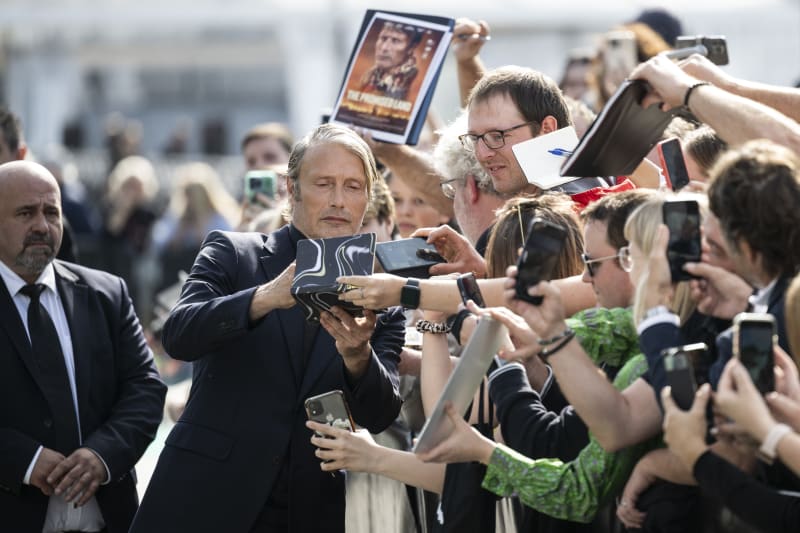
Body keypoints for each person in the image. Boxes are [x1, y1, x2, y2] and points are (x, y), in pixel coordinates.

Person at [130, 124, 405, 533]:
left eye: (352, 186)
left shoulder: (379, 295)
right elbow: (179, 335)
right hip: (203, 500)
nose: (337, 200)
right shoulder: (234, 252)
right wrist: (265, 298)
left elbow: (380, 414)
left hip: (306, 510)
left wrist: (358, 358)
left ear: (367, 199)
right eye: (324, 183)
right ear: (292, 191)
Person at [0, 160, 166, 532]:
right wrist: (24, 460)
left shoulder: (107, 293)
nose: (42, 226)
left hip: (109, 520)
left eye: (51, 212)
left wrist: (102, 455)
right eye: (25, 213)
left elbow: (145, 389)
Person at [360, 21, 423, 100]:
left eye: (396, 41)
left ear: (411, 48)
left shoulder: (415, 83)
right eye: (383, 38)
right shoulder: (369, 75)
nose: (384, 48)